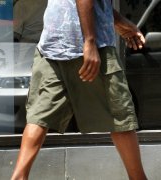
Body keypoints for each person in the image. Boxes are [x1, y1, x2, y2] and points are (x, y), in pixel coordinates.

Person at [11, 0, 148, 180]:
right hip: (91, 45)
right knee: (119, 114)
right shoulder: (91, 43)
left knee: (39, 116)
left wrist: (121, 23)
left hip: (52, 44)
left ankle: (18, 177)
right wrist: (89, 42)